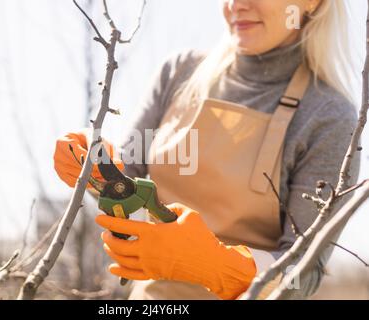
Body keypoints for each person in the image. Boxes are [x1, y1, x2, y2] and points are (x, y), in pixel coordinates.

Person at [53, 0, 361, 300]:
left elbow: (303, 271)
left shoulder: (329, 117)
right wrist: (95, 168)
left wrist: (222, 265)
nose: (237, 4)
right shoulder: (179, 73)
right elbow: (126, 178)